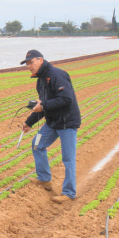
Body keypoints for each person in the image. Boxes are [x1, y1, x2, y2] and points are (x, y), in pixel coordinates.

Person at [20, 50, 81, 203]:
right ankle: (44, 179)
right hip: (52, 122)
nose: (29, 66)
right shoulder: (40, 80)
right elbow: (42, 105)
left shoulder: (56, 75)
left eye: (31, 62)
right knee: (37, 144)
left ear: (40, 60)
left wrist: (44, 105)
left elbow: (66, 98)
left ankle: (68, 193)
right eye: (27, 64)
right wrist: (29, 122)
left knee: (68, 158)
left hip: (66, 122)